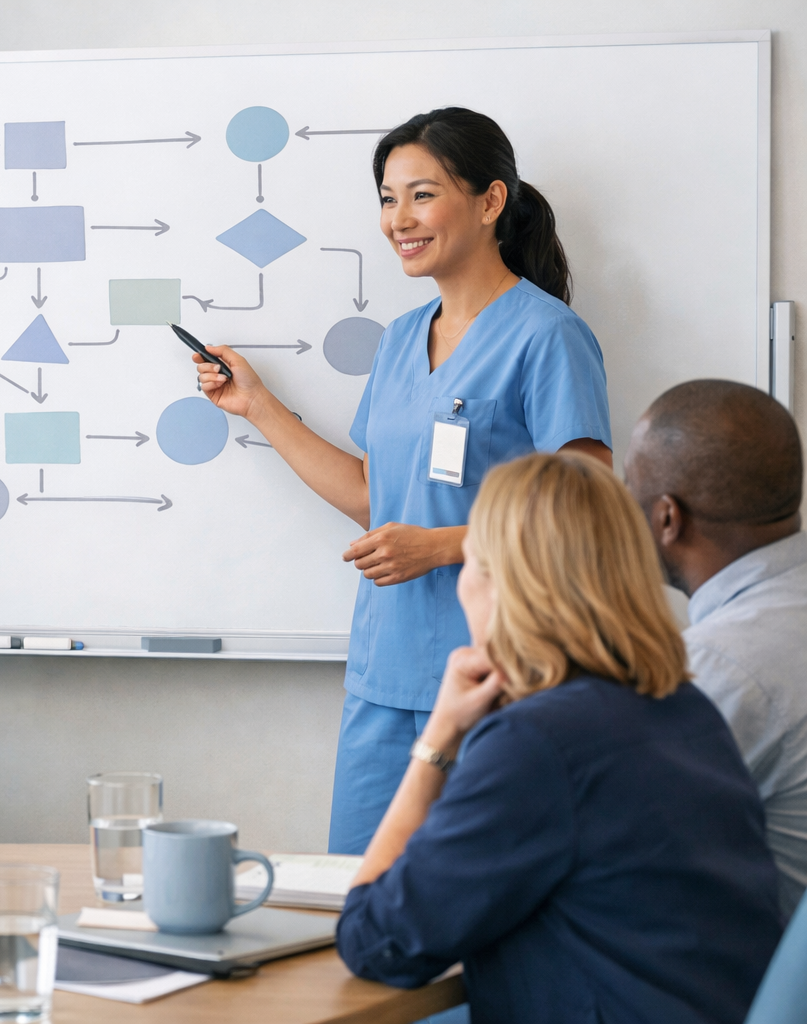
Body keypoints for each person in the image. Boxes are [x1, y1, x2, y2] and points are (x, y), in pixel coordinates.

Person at [193, 107, 613, 853]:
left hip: (499, 673)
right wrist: (255, 404)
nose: (398, 219)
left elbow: (587, 509)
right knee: (360, 895)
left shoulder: (547, 336)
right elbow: (372, 495)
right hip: (384, 675)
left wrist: (445, 546)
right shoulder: (398, 340)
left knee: (474, 907)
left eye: (421, 194)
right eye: (388, 198)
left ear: (490, 202)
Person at [335, 451, 781, 1024]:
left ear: (505, 584)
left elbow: (377, 942)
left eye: (471, 561)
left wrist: (437, 743)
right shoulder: (683, 708)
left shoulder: (537, 744)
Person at [624, 379, 806, 916]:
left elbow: (615, 848)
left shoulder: (716, 668)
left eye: (630, 489)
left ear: (666, 518)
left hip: (740, 987)